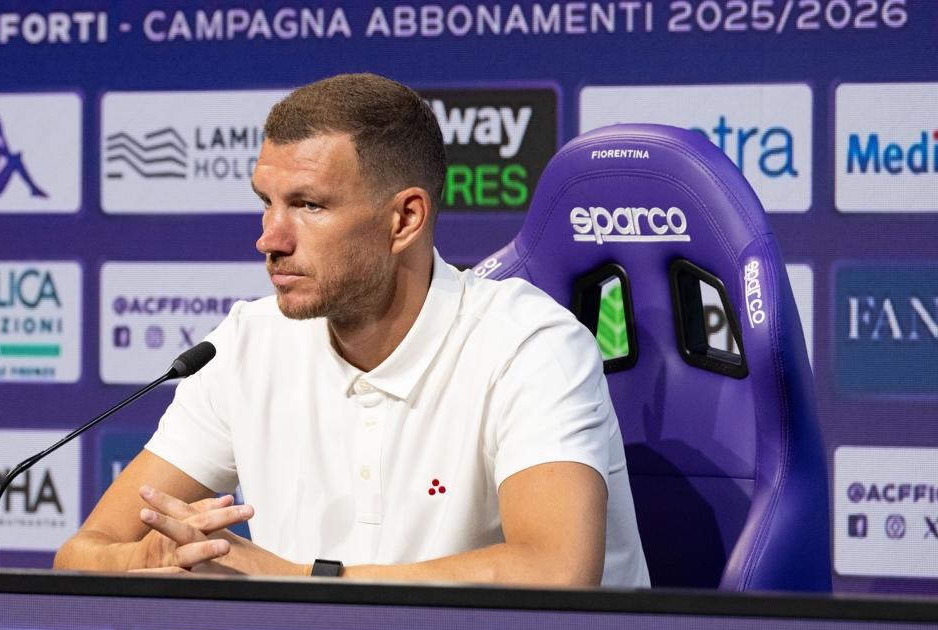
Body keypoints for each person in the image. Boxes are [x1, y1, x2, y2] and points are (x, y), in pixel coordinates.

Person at [55, 73, 649, 587]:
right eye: (267, 202)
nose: (270, 239)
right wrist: (154, 558)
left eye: (309, 205)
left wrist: (293, 581)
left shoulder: (527, 345)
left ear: (404, 219)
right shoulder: (244, 346)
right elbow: (82, 554)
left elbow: (554, 570)